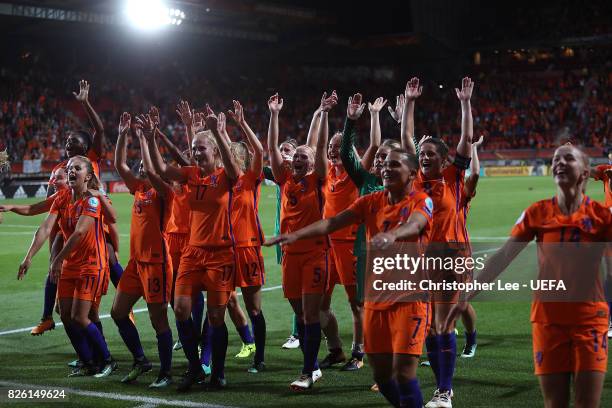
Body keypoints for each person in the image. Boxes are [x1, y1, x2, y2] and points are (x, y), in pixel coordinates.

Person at [446, 144, 612, 408]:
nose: (559, 162)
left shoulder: (602, 216)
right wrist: (466, 294)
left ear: (584, 172)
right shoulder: (537, 212)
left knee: (586, 403)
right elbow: (502, 257)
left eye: (568, 158)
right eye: (556, 159)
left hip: (590, 321)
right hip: (548, 321)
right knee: (555, 402)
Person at [265, 148, 433, 407]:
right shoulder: (371, 201)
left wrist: (394, 235)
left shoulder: (421, 200)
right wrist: (295, 235)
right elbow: (331, 223)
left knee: (404, 372)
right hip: (378, 298)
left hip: (410, 298)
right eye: (385, 164)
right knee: (381, 374)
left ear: (412, 173)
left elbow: (417, 223)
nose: (386, 168)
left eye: (395, 164)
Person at [149, 105, 240, 391]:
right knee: (180, 309)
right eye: (194, 149)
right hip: (192, 252)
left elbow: (235, 168)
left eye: (202, 149)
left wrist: (215, 131)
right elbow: (162, 169)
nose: (197, 153)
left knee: (215, 317)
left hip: (221, 254)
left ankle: (218, 372)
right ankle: (194, 367)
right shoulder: (190, 174)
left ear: (214, 151)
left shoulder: (226, 175)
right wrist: (151, 137)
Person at [401, 77, 475, 408]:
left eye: (431, 154)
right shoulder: (416, 178)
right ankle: (440, 388)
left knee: (443, 324)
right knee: (429, 327)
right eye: (423, 154)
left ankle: (445, 391)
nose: (425, 158)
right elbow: (406, 140)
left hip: (451, 257)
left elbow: (466, 140)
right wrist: (411, 103)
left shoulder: (453, 178)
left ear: (444, 160)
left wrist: (464, 103)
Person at [18, 155, 116, 377]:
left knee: (82, 316)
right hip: (71, 263)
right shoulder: (61, 198)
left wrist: (58, 258)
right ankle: (88, 361)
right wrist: (29, 257)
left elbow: (80, 233)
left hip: (91, 263)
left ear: (88, 176)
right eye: (69, 168)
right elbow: (45, 229)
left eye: (77, 168)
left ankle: (108, 360)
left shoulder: (91, 200)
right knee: (64, 314)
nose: (71, 171)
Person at [266, 91, 337, 390]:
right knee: (300, 313)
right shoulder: (286, 180)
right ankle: (314, 364)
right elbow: (271, 148)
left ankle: (308, 372)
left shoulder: (318, 179)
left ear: (312, 163)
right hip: (290, 255)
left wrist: (323, 113)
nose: (296, 158)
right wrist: (274, 115)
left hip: (315, 254)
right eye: (295, 155)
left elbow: (319, 147)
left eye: (302, 157)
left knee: (309, 313)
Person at [318, 96, 387, 371]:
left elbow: (373, 145)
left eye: (338, 147)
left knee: (355, 302)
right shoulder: (327, 174)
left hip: (349, 245)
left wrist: (373, 115)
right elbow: (318, 145)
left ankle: (359, 353)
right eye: (331, 148)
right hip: (327, 246)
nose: (333, 152)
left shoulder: (355, 173)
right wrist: (322, 113)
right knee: (320, 304)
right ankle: (335, 349)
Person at [110, 112, 174, 388]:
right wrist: (123, 133)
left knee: (158, 320)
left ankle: (166, 373)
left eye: (144, 168)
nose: (139, 170)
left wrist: (146, 139)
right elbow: (119, 164)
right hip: (137, 263)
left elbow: (149, 170)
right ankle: (141, 360)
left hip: (157, 262)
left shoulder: (165, 192)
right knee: (117, 312)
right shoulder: (139, 190)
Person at [456, 135, 485, 358]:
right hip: (431, 252)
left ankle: (471, 339)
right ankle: (441, 346)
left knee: (461, 301)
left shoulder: (460, 192)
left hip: (457, 253)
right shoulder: (428, 189)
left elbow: (474, 174)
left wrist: (473, 149)